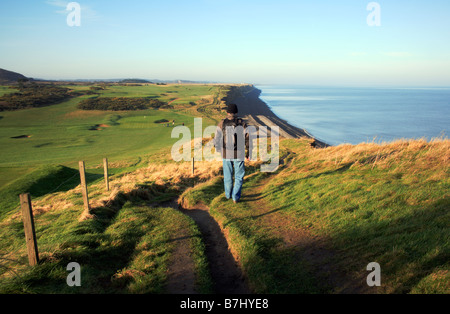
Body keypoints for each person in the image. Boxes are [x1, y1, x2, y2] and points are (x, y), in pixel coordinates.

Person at [214, 103, 250, 203]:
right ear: (236, 112)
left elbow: (217, 137)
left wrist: (217, 149)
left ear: (227, 112)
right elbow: (248, 138)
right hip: (239, 153)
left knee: (228, 176)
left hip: (225, 153)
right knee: (239, 176)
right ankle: (235, 197)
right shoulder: (242, 123)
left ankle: (227, 195)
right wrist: (248, 152)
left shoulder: (222, 123)